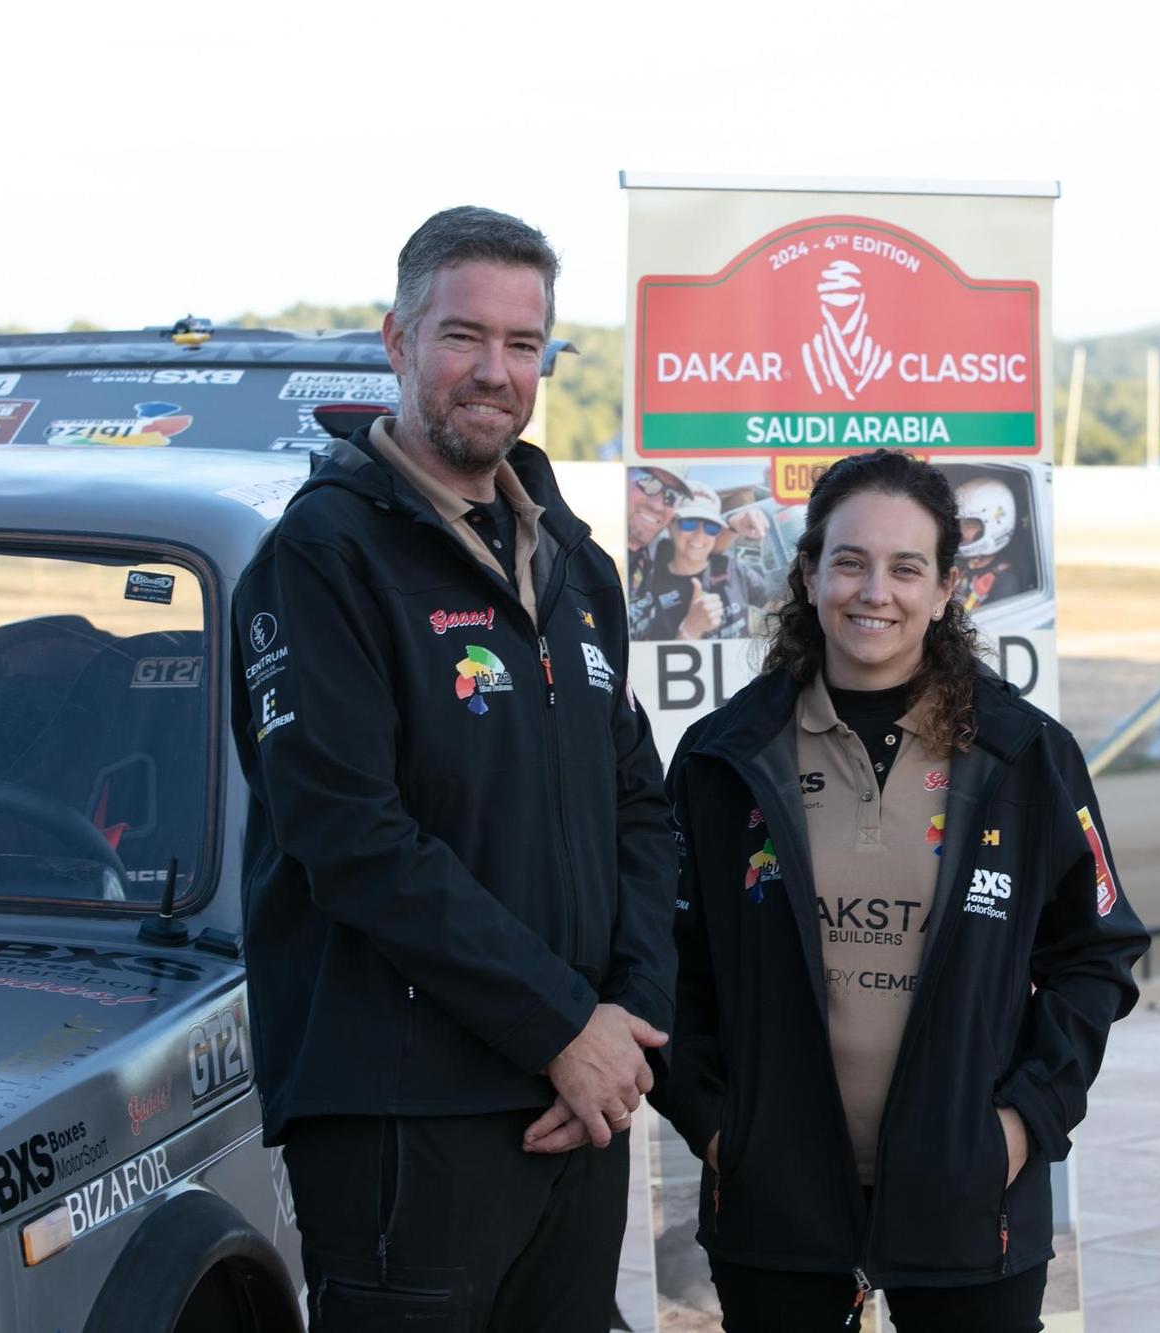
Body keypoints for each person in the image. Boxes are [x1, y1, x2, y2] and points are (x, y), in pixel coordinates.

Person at [230, 205, 676, 1331]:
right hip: (404, 1115)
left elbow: (637, 805)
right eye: (462, 336)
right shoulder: (322, 558)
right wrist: (559, 1028)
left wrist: (621, 1024)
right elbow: (350, 839)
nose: (494, 371)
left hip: (578, 1106)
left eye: (524, 345)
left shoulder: (572, 563)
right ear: (396, 339)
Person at [652, 449, 1149, 1332]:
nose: (873, 590)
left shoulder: (1025, 755)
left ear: (948, 586)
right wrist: (722, 1130)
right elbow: (664, 962)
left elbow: (1098, 952)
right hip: (776, 1209)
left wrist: (1022, 1125)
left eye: (906, 566)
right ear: (808, 575)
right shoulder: (723, 758)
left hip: (970, 1209)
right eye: (848, 561)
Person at [629, 482, 779, 642]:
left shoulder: (733, 568)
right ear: (671, 525)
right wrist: (691, 629)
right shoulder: (651, 585)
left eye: (711, 527)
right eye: (689, 523)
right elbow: (653, 662)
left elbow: (776, 605)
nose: (700, 534)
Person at [626, 463, 690, 632]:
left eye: (672, 496)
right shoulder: (583, 554)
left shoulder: (659, 552)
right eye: (647, 481)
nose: (658, 505)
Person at [955, 474, 1022, 614]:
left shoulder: (1005, 581)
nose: (961, 531)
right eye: (959, 523)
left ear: (995, 526)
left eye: (970, 525)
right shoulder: (959, 566)